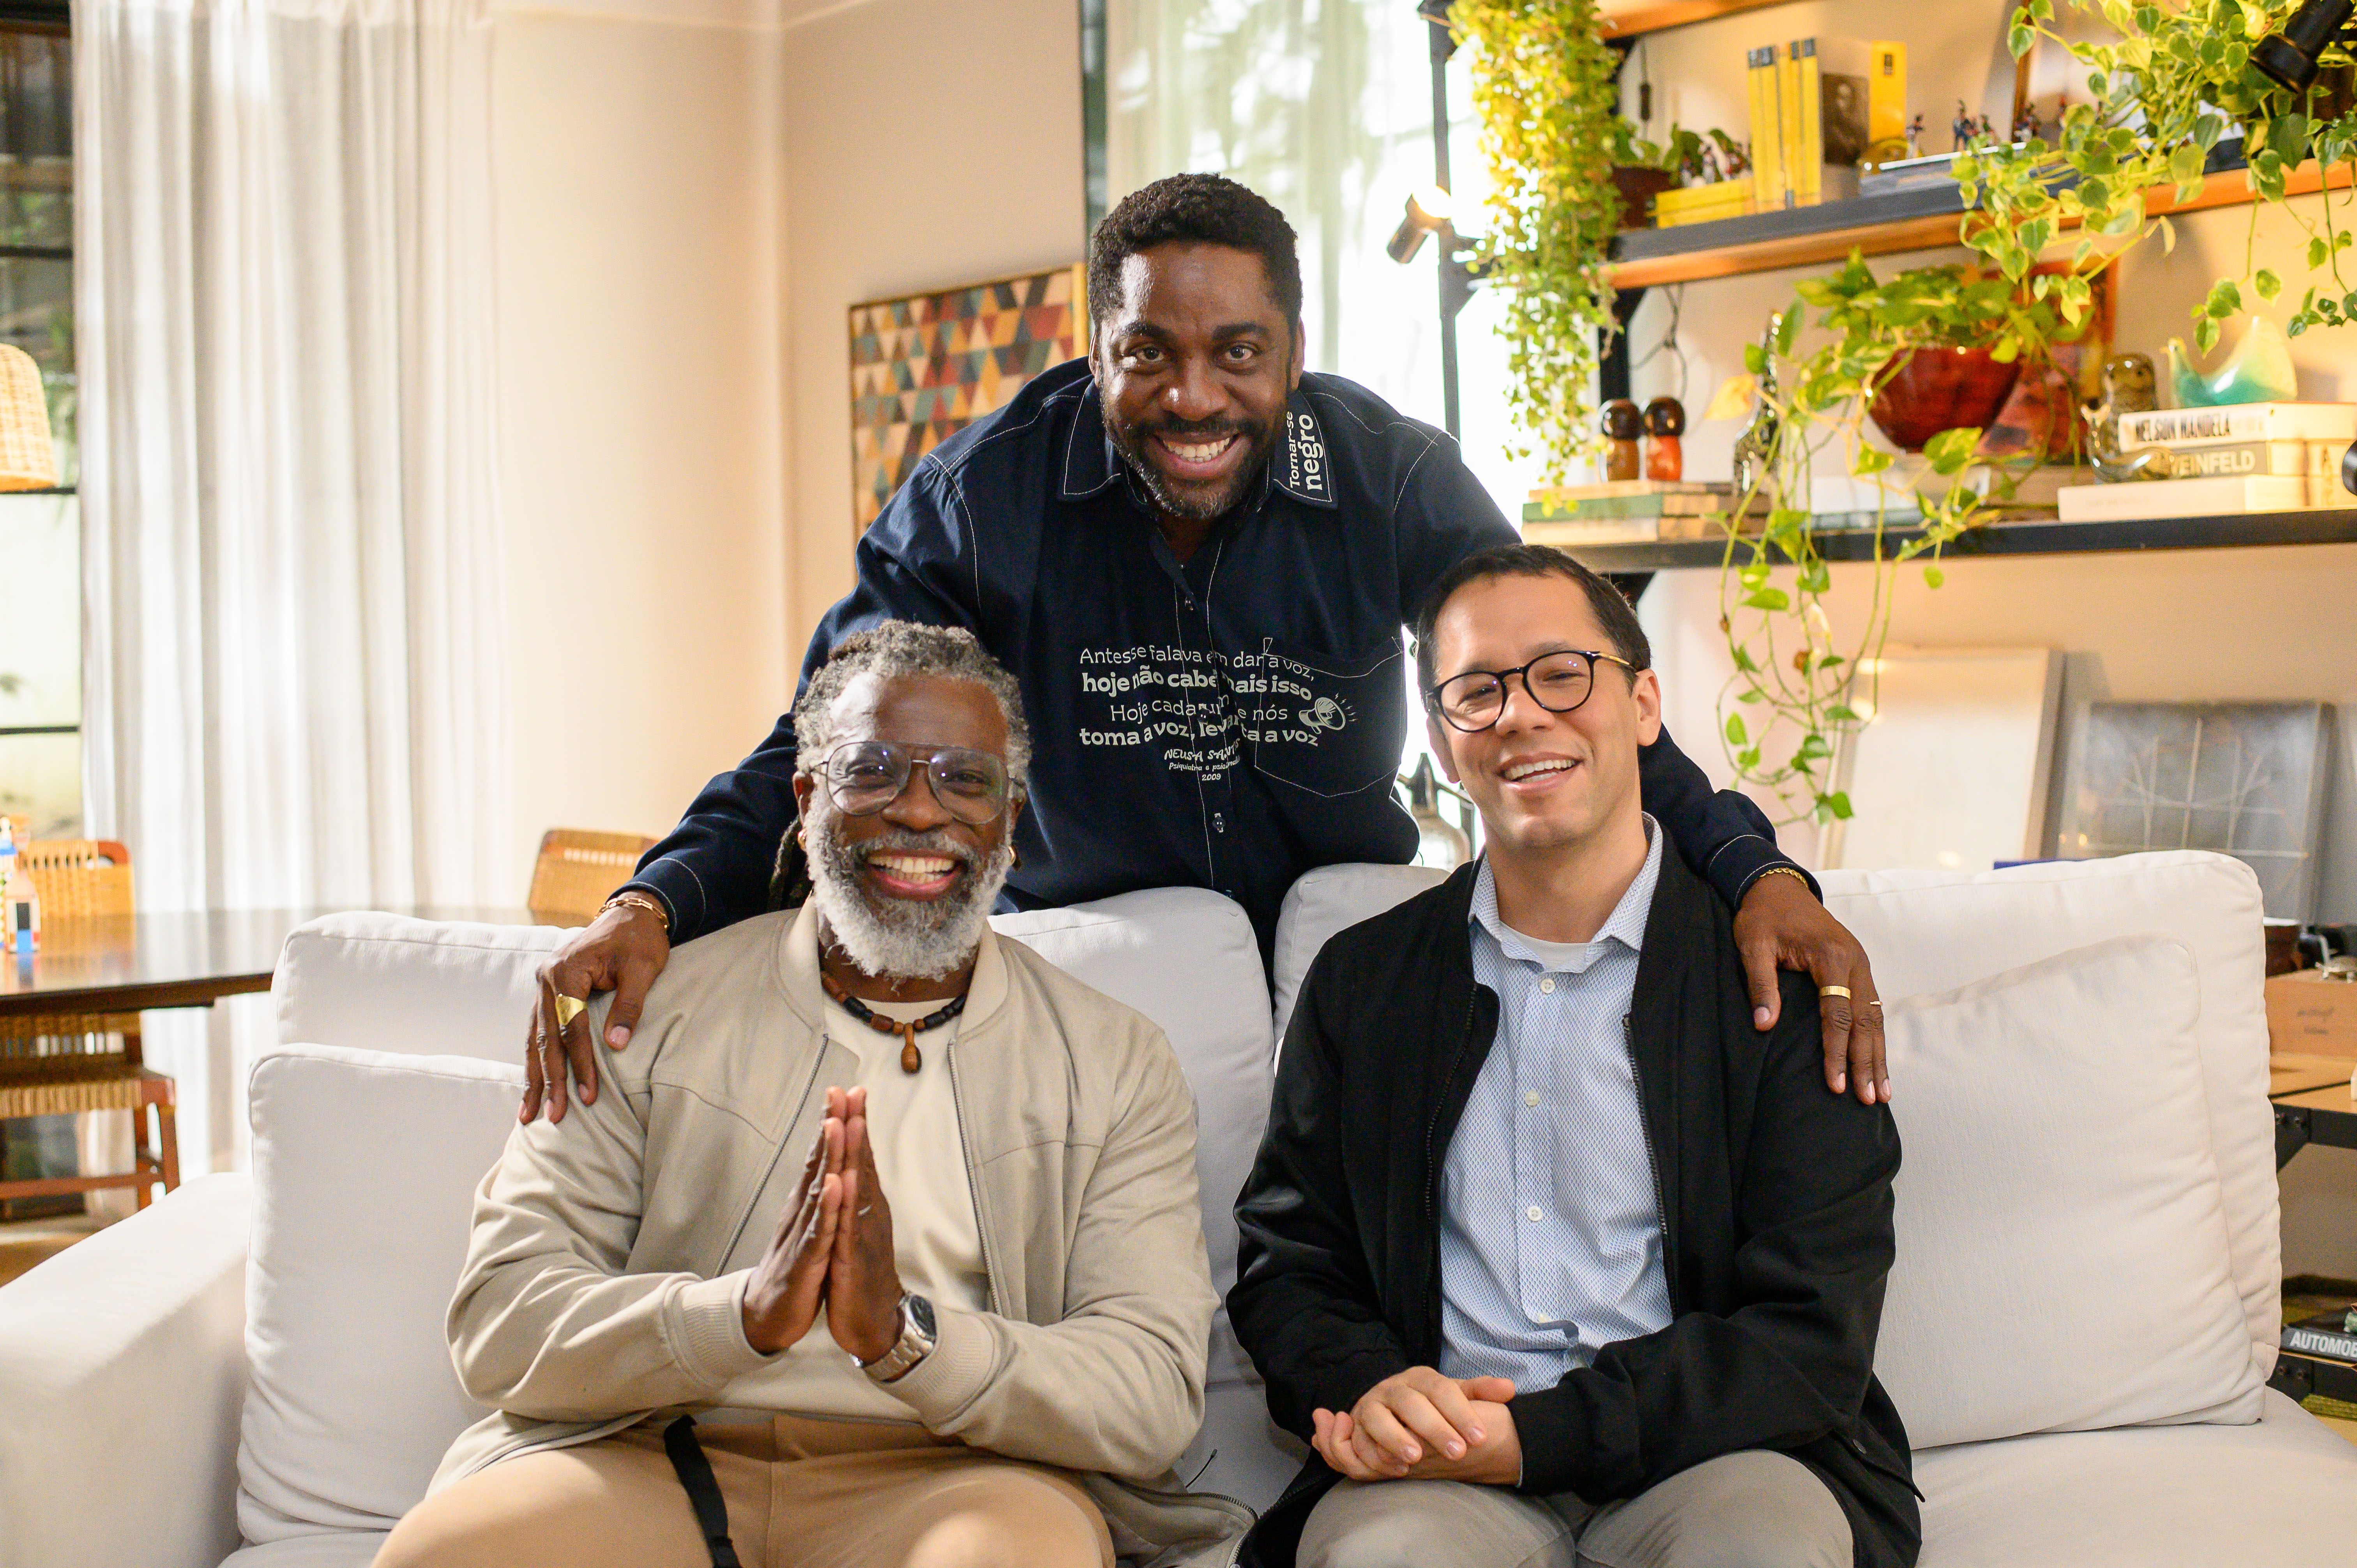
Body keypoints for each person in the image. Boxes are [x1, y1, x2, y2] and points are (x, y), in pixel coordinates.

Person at [523, 172, 1890, 1128]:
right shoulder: (983, 500)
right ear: (1096, 350)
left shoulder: (1389, 481)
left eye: (1238, 352)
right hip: (1083, 974)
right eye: (1148, 353)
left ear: (1294, 349)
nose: (1193, 396)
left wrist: (1753, 870)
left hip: (1346, 968)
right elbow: (832, 737)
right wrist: (651, 904)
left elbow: (1563, 685)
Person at [380, 623, 1246, 1568]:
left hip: (962, 1473)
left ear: (1012, 817)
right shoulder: (642, 1014)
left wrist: (911, 1340)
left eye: (965, 779)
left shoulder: (1113, 1059)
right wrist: (740, 1315)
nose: (919, 811)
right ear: (804, 800)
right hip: (652, 1452)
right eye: (871, 771)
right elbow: (502, 1317)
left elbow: (1150, 1391)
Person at [1226, 545, 1917, 1568]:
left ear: (1643, 705)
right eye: (1477, 691)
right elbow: (1290, 1264)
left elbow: (1815, 1327)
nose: (1520, 714)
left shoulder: (1778, 978)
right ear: (1441, 739)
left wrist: (1539, 1437)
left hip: (1721, 1459)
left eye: (1562, 673)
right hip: (1440, 1472)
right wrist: (1374, 1387)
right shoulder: (1363, 983)